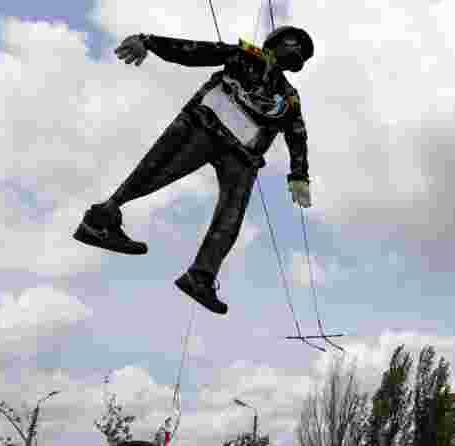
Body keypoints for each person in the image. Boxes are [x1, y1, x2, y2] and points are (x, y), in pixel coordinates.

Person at [72, 26, 315, 315]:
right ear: (275, 43)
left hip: (242, 155)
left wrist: (299, 174)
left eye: (303, 51)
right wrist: (149, 41)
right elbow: (198, 51)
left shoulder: (289, 96)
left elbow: (296, 133)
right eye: (293, 43)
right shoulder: (243, 55)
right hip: (206, 127)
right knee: (155, 172)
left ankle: (201, 276)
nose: (298, 51)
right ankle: (99, 221)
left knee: (231, 217)